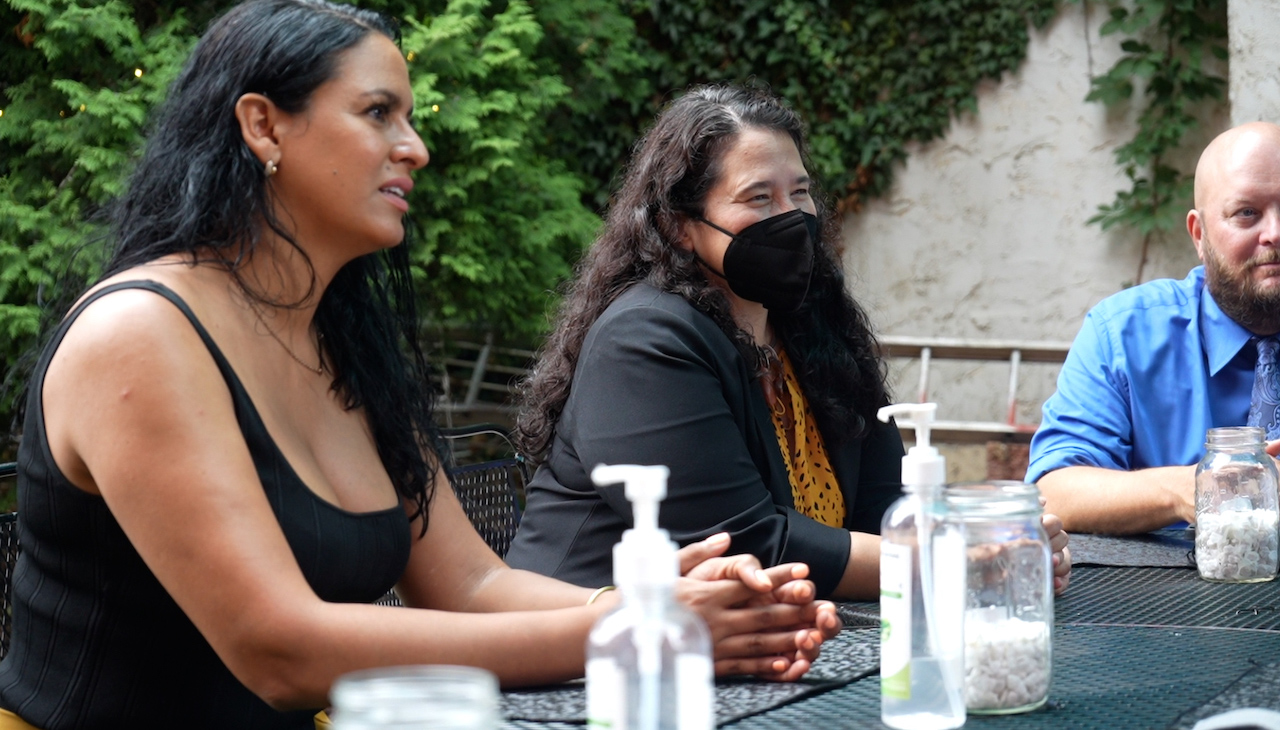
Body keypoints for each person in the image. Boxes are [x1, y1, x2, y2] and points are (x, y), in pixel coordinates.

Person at [0, 4, 841, 729]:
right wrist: (625, 629)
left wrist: (656, 606)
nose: (417, 148)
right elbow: (280, 648)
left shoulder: (338, 342)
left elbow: (470, 583)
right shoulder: (138, 335)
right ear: (263, 126)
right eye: (379, 113)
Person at [507, 84, 1072, 600]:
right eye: (758, 198)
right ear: (680, 225)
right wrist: (958, 558)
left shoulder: (812, 324)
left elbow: (884, 506)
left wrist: (993, 539)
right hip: (587, 659)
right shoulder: (645, 342)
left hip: (783, 638)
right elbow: (749, 544)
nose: (791, 218)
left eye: (799, 193)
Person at [1028, 121, 1280, 534]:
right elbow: (1055, 490)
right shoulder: (1125, 334)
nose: (1274, 233)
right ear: (1199, 236)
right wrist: (1191, 487)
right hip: (1160, 593)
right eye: (1246, 213)